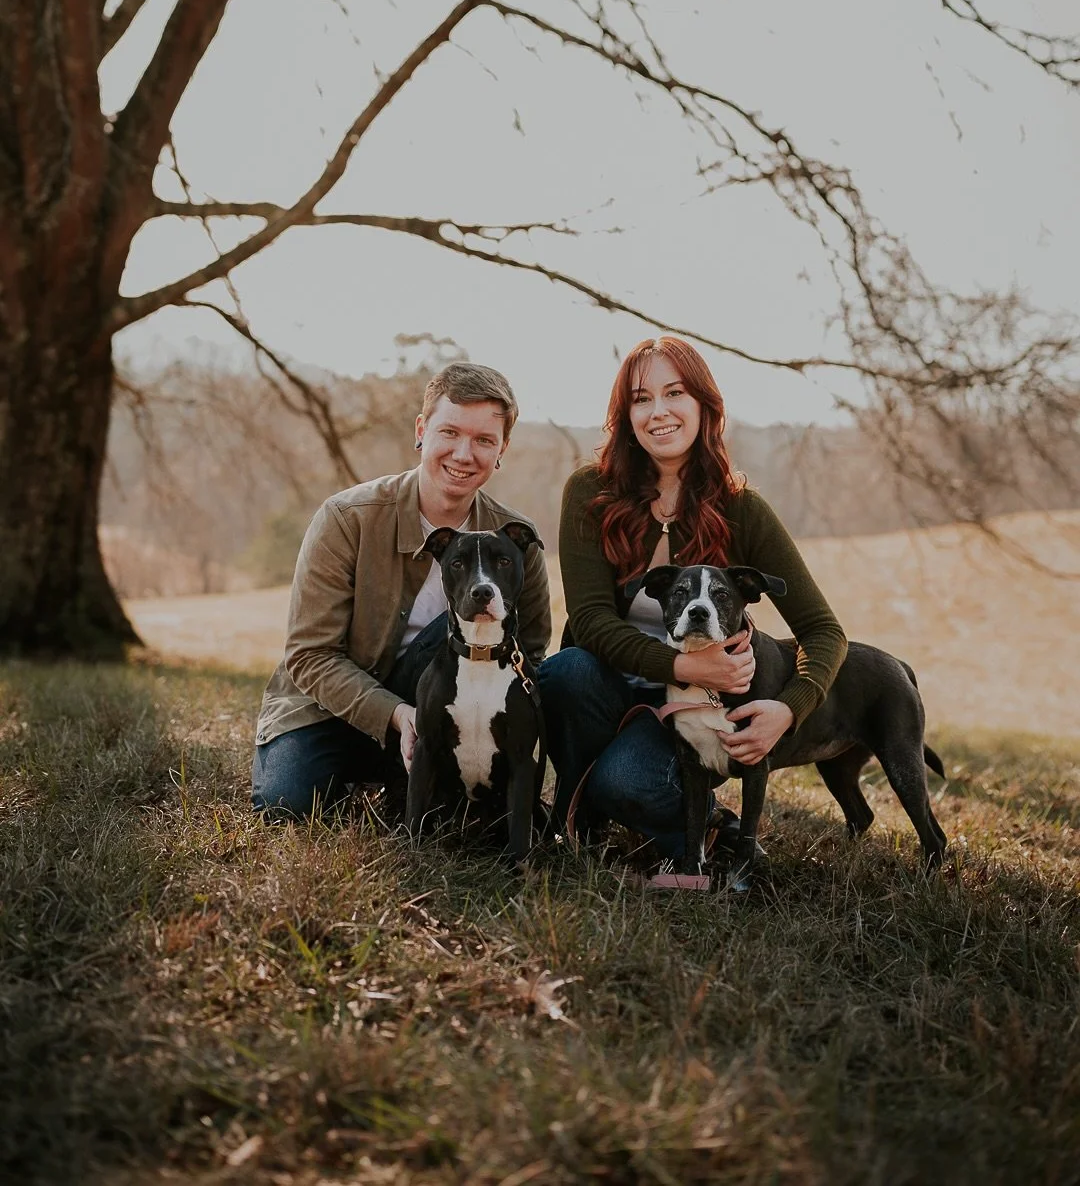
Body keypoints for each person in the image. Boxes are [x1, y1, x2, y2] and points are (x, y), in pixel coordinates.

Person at [539, 336, 847, 861]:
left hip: (688, 713)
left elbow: (824, 631)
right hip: (606, 683)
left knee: (627, 786)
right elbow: (588, 619)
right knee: (563, 672)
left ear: (705, 406)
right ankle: (577, 808)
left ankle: (702, 824)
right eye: (640, 398)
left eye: (674, 393)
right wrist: (683, 664)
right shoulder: (591, 491)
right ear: (625, 414)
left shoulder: (740, 507)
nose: (658, 411)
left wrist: (788, 710)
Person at [252, 362, 551, 820]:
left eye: (484, 440)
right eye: (450, 432)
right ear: (422, 430)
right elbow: (309, 655)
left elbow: (527, 650)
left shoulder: (513, 542)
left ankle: (424, 785)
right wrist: (396, 714)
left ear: (501, 450)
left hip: (453, 718)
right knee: (287, 805)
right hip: (332, 711)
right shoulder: (347, 518)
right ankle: (377, 775)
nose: (464, 454)